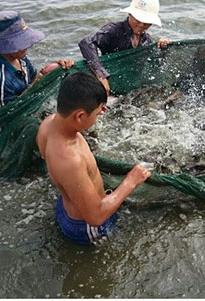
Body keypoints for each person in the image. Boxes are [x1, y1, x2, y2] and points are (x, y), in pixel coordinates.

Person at [36, 72, 151, 245]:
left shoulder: (48, 124)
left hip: (67, 206)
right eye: (98, 113)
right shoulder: (69, 160)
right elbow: (95, 217)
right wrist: (130, 182)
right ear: (80, 116)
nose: (101, 114)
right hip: (86, 227)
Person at [0, 10, 75, 111]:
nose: (26, 46)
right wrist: (36, 84)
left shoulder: (20, 58)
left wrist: (50, 70)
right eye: (20, 43)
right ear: (4, 45)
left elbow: (33, 80)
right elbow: (10, 117)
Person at [78, 0, 171, 94]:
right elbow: (86, 42)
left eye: (146, 22)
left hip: (131, 85)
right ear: (129, 14)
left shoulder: (146, 40)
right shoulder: (113, 30)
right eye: (138, 19)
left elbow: (155, 63)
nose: (141, 25)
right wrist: (101, 75)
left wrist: (162, 47)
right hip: (110, 83)